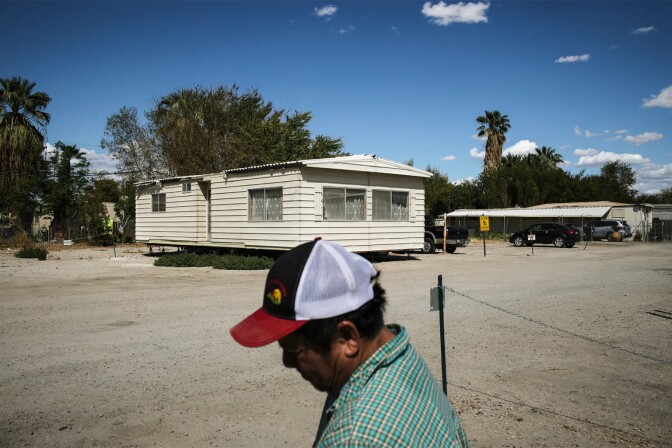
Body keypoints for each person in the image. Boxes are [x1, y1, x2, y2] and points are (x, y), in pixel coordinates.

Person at [230, 238, 470, 447]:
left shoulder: (354, 437)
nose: (286, 361)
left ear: (347, 339)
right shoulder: (397, 352)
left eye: (293, 349)